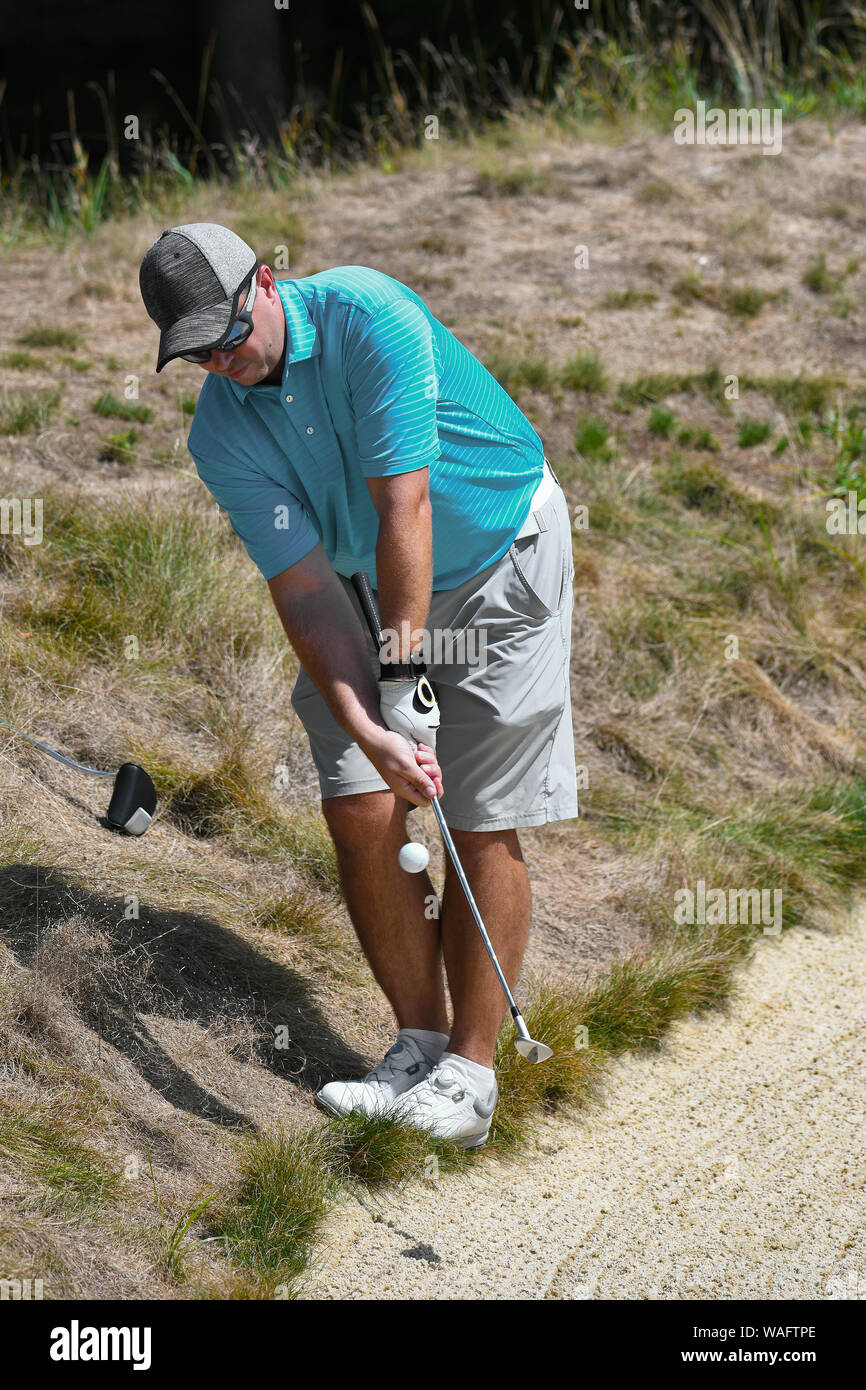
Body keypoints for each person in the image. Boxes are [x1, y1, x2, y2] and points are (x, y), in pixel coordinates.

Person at [139, 222, 578, 1149]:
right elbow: (303, 588)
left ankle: (472, 1072)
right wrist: (369, 723)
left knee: (477, 811)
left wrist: (404, 674)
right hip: (362, 586)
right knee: (358, 800)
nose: (221, 361)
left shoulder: (368, 314)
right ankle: (417, 1047)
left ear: (266, 280)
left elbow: (402, 505)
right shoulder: (219, 434)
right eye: (197, 353)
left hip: (500, 553)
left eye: (228, 333)